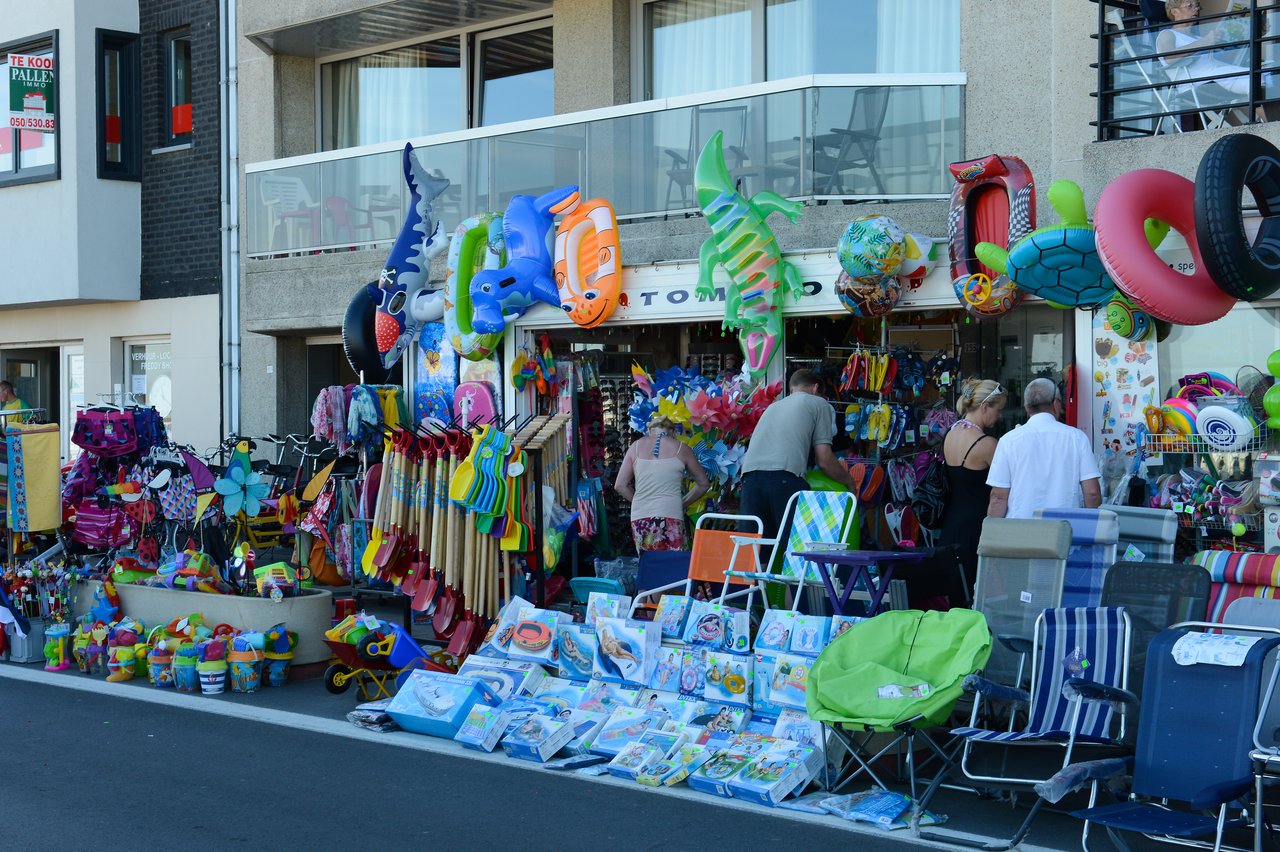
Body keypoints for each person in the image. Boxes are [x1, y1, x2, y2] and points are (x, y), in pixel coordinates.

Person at [739, 369, 856, 541]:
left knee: (757, 552)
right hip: (784, 478)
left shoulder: (773, 407)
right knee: (795, 548)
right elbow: (824, 459)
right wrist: (848, 481)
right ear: (816, 388)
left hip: (749, 479)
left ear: (792, 389)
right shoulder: (819, 403)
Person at [987, 378, 1102, 520]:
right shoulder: (1077, 438)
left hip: (1018, 532)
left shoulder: (1008, 441)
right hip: (1065, 531)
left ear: (1026, 406)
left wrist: (993, 531)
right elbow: (1092, 493)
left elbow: (998, 497)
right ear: (1055, 404)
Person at [938, 378, 1007, 593]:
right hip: (977, 528)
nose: (1001, 415)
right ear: (985, 407)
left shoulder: (950, 435)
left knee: (955, 593)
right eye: (999, 409)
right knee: (977, 595)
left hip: (951, 524)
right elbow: (1003, 490)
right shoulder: (987, 444)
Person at [614, 413, 710, 552]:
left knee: (649, 564)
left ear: (649, 431)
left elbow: (620, 485)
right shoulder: (681, 448)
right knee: (673, 566)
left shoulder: (635, 447)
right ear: (673, 432)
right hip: (671, 513)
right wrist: (682, 503)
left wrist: (641, 501)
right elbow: (703, 484)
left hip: (640, 516)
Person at [1158, 0, 1271, 102]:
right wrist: (1204, 42)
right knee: (1255, 80)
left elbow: (1228, 60)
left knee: (1268, 76)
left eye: (1197, 5)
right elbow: (1169, 58)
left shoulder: (1198, 39)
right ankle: (1269, 124)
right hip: (1198, 83)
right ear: (1174, 12)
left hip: (1217, 74)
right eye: (1190, 5)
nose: (1196, 9)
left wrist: (1254, 36)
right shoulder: (1168, 34)